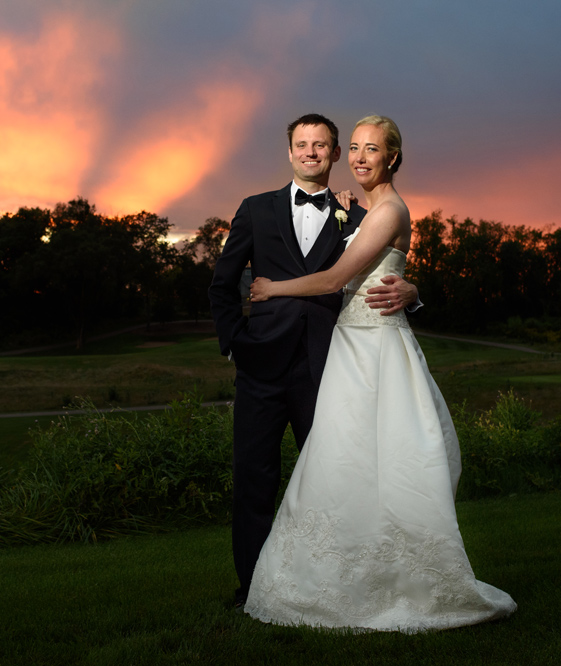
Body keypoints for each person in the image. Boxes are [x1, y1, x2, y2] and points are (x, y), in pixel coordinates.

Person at [243, 115, 516, 631]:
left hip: (376, 353)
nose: (362, 157)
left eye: (373, 149)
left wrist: (271, 288)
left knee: (384, 463)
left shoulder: (389, 210)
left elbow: (339, 277)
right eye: (355, 148)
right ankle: (347, 574)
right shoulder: (364, 211)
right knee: (344, 464)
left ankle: (397, 581)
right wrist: (407, 283)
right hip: (348, 348)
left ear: (393, 156)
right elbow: (375, 266)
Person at [208, 113, 420, 609]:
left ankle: (329, 585)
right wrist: (237, 343)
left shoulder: (361, 214)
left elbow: (387, 266)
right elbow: (222, 283)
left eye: (321, 145)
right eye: (301, 144)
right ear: (289, 152)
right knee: (254, 481)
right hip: (260, 367)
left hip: (328, 370)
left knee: (331, 484)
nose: (310, 152)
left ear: (334, 153)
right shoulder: (255, 209)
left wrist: (414, 292)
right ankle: (254, 589)